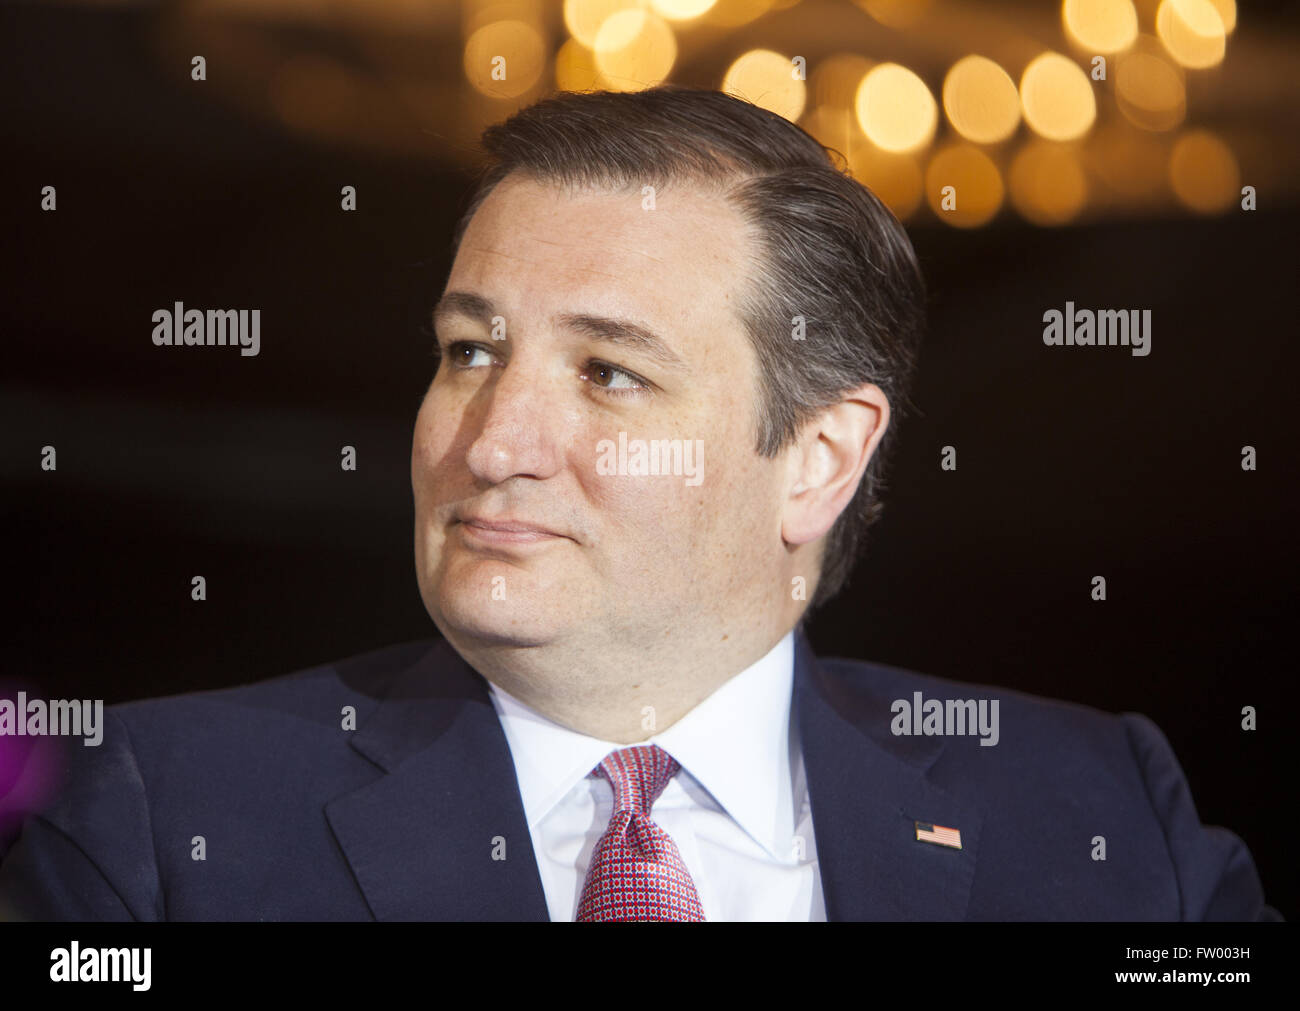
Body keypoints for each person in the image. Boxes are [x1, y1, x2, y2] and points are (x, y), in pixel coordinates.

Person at [0, 86, 1279, 921]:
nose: (493, 442)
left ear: (820, 460)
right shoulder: (165, 820)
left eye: (609, 372)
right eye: (469, 351)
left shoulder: (1100, 816)